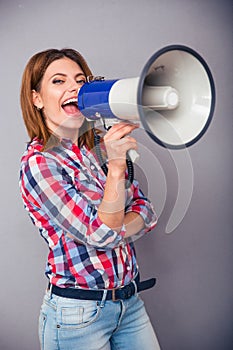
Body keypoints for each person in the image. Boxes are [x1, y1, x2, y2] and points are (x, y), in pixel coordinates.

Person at [19, 48, 161, 350]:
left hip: (129, 304)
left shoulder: (96, 146)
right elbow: (100, 233)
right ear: (37, 98)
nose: (73, 87)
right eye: (58, 81)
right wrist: (117, 166)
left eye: (80, 79)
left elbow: (146, 210)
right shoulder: (40, 164)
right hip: (78, 316)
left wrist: (114, 227)